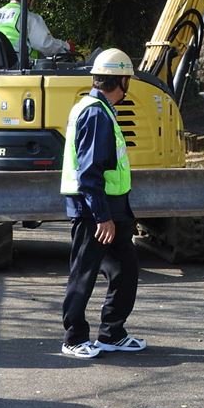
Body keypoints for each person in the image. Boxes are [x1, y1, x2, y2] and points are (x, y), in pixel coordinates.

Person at [59, 48, 146, 359]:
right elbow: (90, 171)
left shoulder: (101, 108)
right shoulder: (95, 113)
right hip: (94, 210)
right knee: (84, 270)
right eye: (128, 81)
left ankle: (112, 333)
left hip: (112, 208)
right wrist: (101, 216)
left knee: (125, 269)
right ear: (121, 80)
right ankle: (74, 337)